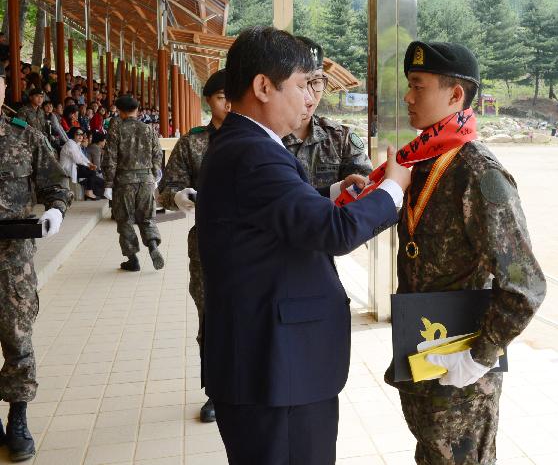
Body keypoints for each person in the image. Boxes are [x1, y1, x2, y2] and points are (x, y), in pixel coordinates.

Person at [196, 27, 408, 465]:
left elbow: (271, 214)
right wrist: (393, 190)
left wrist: (329, 194)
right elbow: (336, 233)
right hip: (276, 368)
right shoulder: (254, 152)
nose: (311, 98)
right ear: (262, 86)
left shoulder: (244, 143)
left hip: (268, 361)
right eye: (302, 84)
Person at [386, 40, 546, 464]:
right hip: (421, 354)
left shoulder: (479, 172)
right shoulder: (421, 164)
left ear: (455, 95)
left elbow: (525, 285)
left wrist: (480, 356)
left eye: (418, 85)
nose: (408, 96)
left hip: (463, 377)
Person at [0, 75, 72, 461]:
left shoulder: (22, 135)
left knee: (17, 337)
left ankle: (19, 417)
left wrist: (56, 211)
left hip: (12, 258)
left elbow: (57, 184)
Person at [158, 70, 229, 423]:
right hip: (209, 244)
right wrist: (178, 196)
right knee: (210, 316)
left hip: (255, 243)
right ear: (208, 100)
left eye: (234, 97)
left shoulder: (262, 136)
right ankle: (215, 391)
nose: (228, 105)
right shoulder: (194, 142)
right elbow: (167, 186)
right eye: (221, 98)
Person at [282, 37, 373, 187]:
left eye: (316, 82)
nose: (310, 95)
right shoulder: (268, 138)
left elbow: (364, 190)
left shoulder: (341, 138)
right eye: (302, 84)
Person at [102, 95, 164, 272]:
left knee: (125, 220)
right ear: (137, 110)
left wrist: (108, 183)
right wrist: (154, 174)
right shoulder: (148, 129)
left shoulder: (117, 129)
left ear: (119, 111)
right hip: (146, 180)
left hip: (124, 182)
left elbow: (110, 157)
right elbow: (157, 154)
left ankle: (133, 259)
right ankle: (152, 245)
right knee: (147, 218)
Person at [60, 127, 99, 200]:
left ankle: (89, 192)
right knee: (91, 173)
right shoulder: (70, 144)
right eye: (78, 134)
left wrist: (90, 164)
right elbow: (77, 160)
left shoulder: (76, 144)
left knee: (91, 171)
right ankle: (89, 193)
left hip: (74, 167)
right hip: (67, 169)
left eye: (82, 134)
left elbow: (82, 156)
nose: (81, 136)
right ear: (73, 135)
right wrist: (88, 165)